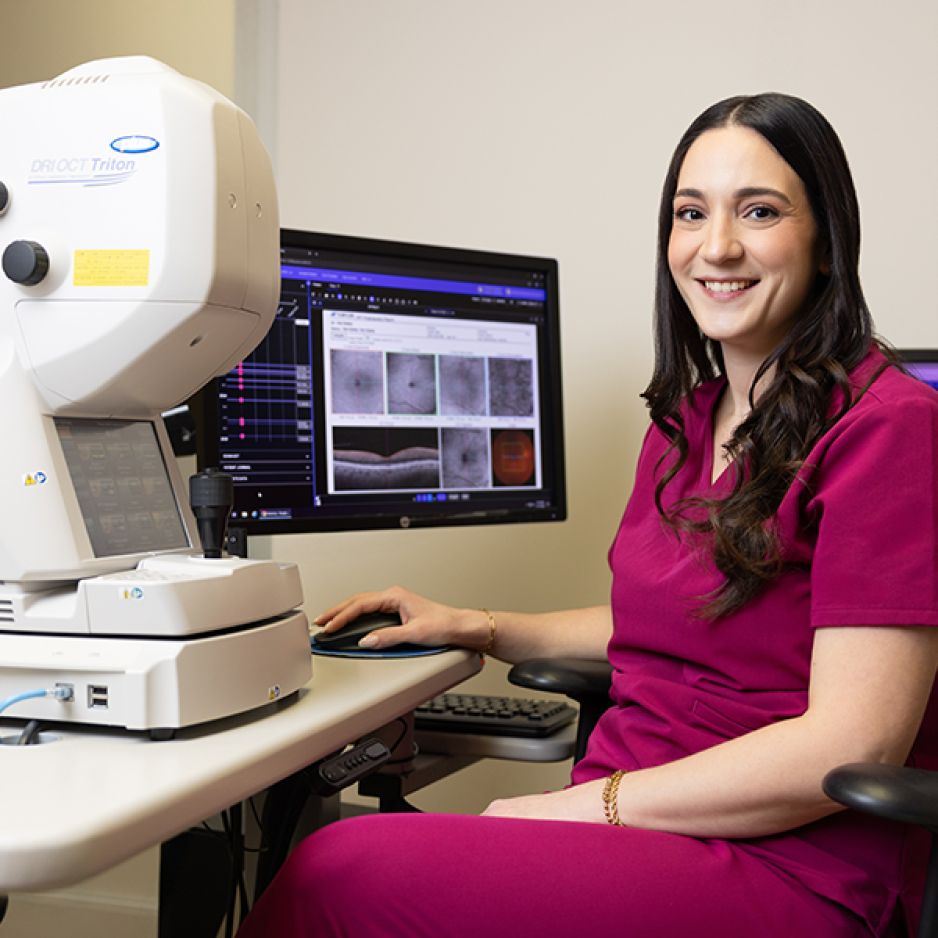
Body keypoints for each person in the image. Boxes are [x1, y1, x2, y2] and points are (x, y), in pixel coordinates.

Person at [237, 93, 938, 937]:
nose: (717, 247)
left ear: (827, 241)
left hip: (789, 860)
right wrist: (483, 626)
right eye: (691, 213)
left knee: (337, 867)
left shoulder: (892, 429)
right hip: (643, 809)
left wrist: (587, 808)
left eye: (760, 211)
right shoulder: (690, 419)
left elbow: (849, 745)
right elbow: (680, 624)